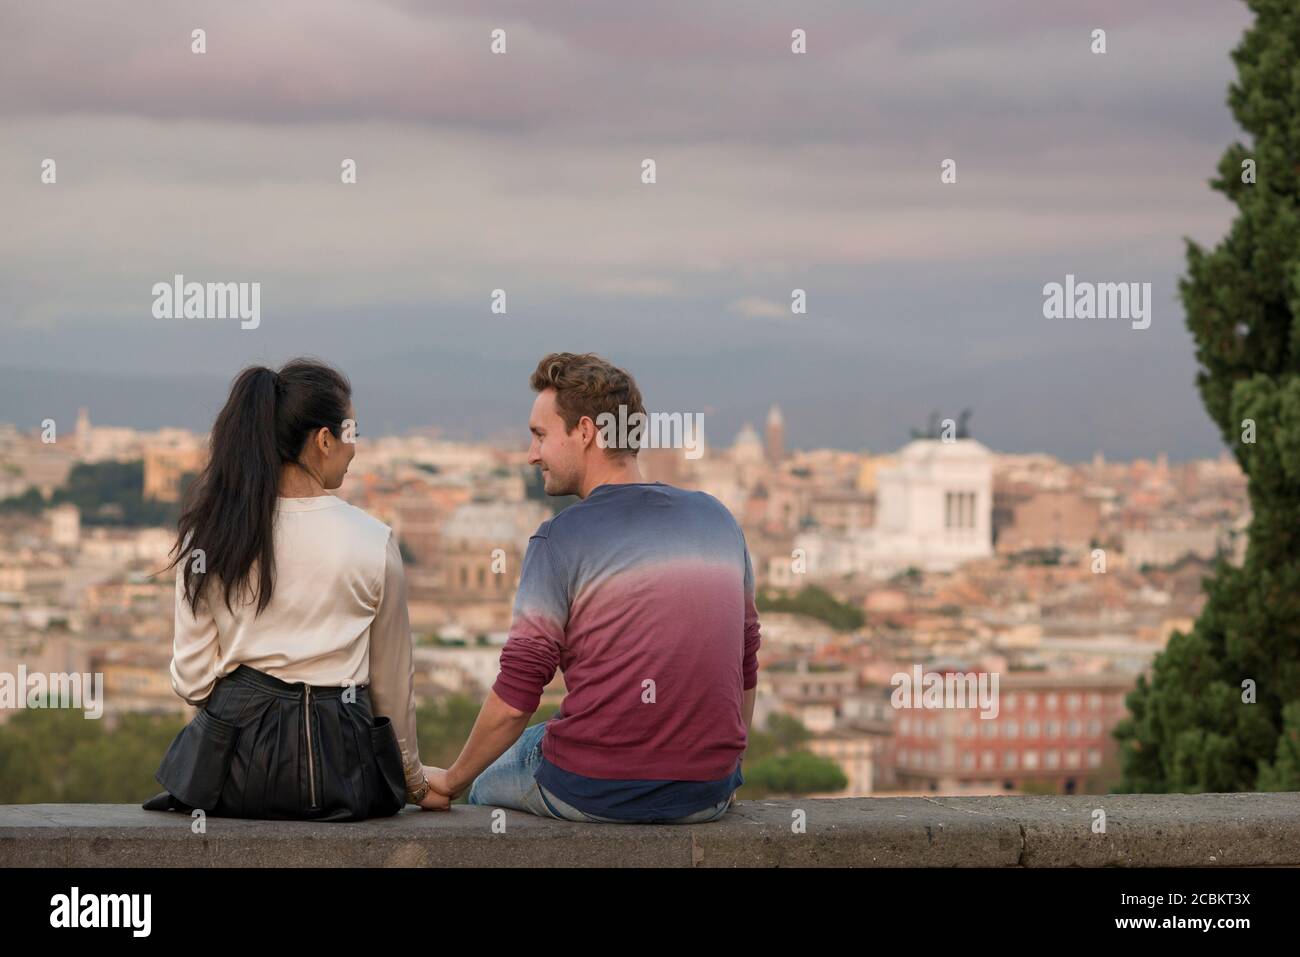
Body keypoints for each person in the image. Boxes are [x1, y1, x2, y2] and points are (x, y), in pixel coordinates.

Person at [425, 352, 761, 823]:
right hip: (710, 793)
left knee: (486, 782)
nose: (531, 454)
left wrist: (451, 780)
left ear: (585, 432)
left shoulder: (559, 538)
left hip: (595, 790)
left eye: (540, 435)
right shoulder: (718, 519)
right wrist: (721, 768)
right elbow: (746, 662)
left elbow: (518, 692)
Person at [142, 359, 448, 820]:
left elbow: (192, 681)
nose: (354, 449)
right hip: (345, 779)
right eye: (352, 434)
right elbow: (391, 688)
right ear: (324, 440)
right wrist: (414, 781)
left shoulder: (210, 536)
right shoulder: (373, 540)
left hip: (233, 780)